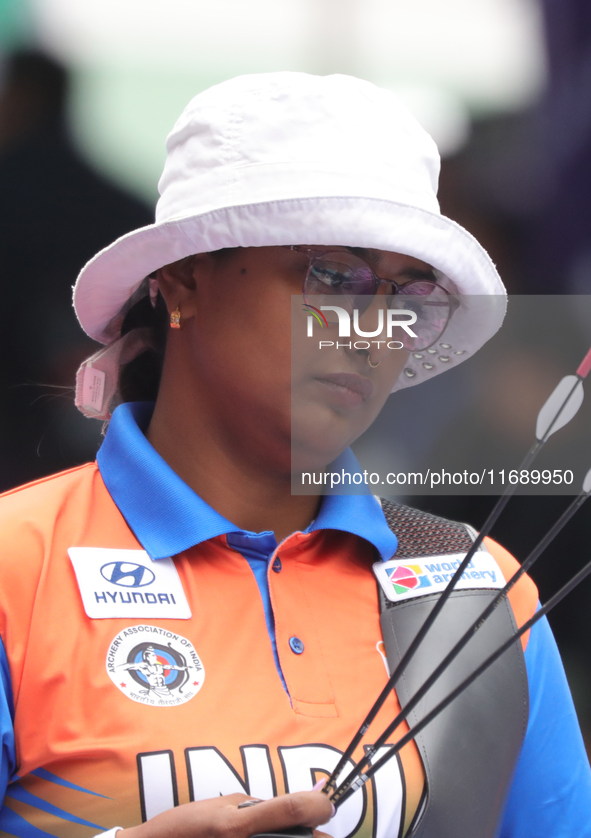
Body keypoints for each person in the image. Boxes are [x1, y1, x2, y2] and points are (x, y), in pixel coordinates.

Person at [0, 72, 589, 838]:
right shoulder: (19, 563)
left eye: (405, 296)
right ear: (182, 282)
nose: (369, 328)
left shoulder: (477, 589)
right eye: (332, 276)